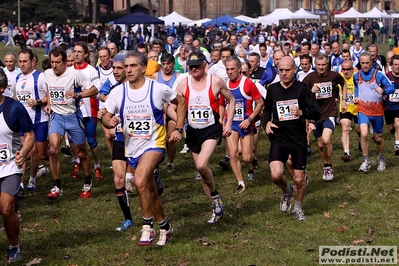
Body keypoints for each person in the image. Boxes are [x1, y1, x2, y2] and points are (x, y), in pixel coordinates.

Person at [103, 51, 186, 246]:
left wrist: (179, 128)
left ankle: (147, 226)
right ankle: (165, 227)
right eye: (126, 66)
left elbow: (180, 102)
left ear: (143, 68)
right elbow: (105, 117)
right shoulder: (118, 92)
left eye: (133, 66)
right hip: (131, 148)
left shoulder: (157, 89)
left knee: (138, 181)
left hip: (154, 144)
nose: (129, 70)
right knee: (151, 193)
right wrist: (110, 120)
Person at [175, 51, 235, 224]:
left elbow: (231, 100)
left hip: (211, 129)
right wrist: (179, 122)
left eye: (197, 66)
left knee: (201, 165)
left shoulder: (215, 81)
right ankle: (216, 208)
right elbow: (171, 105)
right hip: (193, 132)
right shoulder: (183, 84)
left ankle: (215, 195)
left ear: (204, 65)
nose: (193, 69)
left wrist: (228, 123)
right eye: (191, 66)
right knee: (202, 173)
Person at [264, 56, 320, 221]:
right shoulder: (272, 89)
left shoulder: (302, 89)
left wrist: (303, 113)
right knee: (275, 175)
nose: (283, 73)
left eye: (287, 70)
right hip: (279, 138)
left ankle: (298, 209)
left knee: (299, 179)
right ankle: (287, 191)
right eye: (280, 70)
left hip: (298, 140)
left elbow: (316, 112)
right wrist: (267, 122)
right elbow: (267, 109)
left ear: (295, 70)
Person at [44, 47, 98, 199]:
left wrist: (78, 94)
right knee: (53, 150)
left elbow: (94, 89)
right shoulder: (47, 74)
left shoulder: (74, 74)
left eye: (58, 62)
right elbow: (50, 88)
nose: (54, 66)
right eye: (52, 62)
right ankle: (56, 186)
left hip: (73, 117)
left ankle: (87, 181)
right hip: (57, 117)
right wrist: (49, 102)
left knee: (81, 152)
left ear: (65, 62)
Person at [0, 67, 35, 262]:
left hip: (9, 165)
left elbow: (29, 134)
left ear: (1, 88)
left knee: (6, 209)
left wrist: (24, 151)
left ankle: (14, 245)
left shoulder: (14, 108)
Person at [220, 56, 263, 194]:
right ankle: (241, 183)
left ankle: (253, 159)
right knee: (233, 154)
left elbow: (260, 102)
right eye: (227, 69)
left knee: (246, 157)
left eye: (233, 69)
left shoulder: (248, 83)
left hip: (246, 124)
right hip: (231, 124)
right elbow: (222, 104)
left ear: (239, 69)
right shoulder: (224, 85)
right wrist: (223, 122)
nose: (230, 72)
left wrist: (250, 119)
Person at [302, 53, 347, 181]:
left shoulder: (334, 76)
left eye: (323, 65)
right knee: (320, 145)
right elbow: (302, 96)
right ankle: (326, 165)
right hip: (315, 115)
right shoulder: (309, 78)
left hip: (330, 112)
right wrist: (311, 92)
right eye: (318, 65)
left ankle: (328, 166)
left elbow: (343, 84)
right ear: (314, 65)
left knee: (326, 140)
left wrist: (343, 101)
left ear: (327, 64)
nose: (321, 67)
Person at [13, 49, 48, 191]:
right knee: (23, 152)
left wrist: (38, 102)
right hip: (23, 121)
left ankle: (32, 179)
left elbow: (49, 97)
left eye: (25, 61)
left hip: (39, 120)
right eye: (20, 61)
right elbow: (17, 97)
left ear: (32, 61)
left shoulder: (40, 77)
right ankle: (20, 183)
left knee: (38, 153)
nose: (22, 64)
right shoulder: (18, 78)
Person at [354, 51, 395, 172]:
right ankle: (366, 161)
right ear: (359, 63)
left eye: (367, 63)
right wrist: (356, 97)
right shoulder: (356, 75)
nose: (365, 65)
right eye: (363, 63)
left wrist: (383, 90)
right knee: (364, 134)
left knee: (378, 138)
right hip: (363, 109)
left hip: (377, 111)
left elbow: (391, 88)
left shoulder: (379, 75)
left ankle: (381, 158)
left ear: (372, 62)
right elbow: (356, 87)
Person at [152, 54, 180, 173]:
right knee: (157, 138)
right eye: (163, 64)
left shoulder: (178, 76)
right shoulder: (155, 76)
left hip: (173, 110)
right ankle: (155, 161)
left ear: (173, 64)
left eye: (168, 64)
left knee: (170, 139)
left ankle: (170, 162)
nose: (166, 67)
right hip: (159, 111)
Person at [339, 59, 360, 162]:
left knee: (359, 129)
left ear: (352, 69)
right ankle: (346, 152)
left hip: (357, 107)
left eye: (348, 69)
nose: (346, 71)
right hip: (344, 107)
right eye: (344, 69)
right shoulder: (339, 77)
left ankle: (361, 140)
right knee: (345, 126)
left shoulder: (357, 77)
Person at [385, 55, 399, 155]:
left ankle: (397, 145)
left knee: (398, 124)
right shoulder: (386, 76)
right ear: (391, 65)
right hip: (388, 108)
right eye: (395, 64)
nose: (397, 66)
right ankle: (392, 127)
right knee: (390, 127)